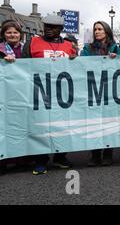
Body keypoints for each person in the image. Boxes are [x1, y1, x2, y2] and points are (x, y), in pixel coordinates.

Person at [22, 14, 78, 175]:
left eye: (53, 27)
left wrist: (76, 60)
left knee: (62, 125)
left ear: (60, 29)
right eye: (46, 25)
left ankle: (60, 157)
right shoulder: (32, 42)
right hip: (39, 93)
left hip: (62, 95)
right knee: (40, 127)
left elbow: (77, 69)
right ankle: (40, 160)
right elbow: (22, 66)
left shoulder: (69, 45)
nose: (48, 29)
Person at [81, 21, 120, 167]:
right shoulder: (87, 48)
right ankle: (95, 154)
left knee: (109, 121)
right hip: (93, 89)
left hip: (110, 90)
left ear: (107, 31)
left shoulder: (115, 47)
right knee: (94, 122)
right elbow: (81, 65)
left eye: (100, 29)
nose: (97, 32)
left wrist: (117, 59)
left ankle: (108, 153)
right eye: (95, 29)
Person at [0, 20, 32, 174]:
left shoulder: (26, 49)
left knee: (21, 125)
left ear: (21, 34)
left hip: (22, 93)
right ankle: (4, 159)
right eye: (9, 32)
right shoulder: (1, 50)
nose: (12, 35)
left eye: (15, 32)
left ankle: (22, 159)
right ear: (4, 35)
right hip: (4, 95)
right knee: (5, 126)